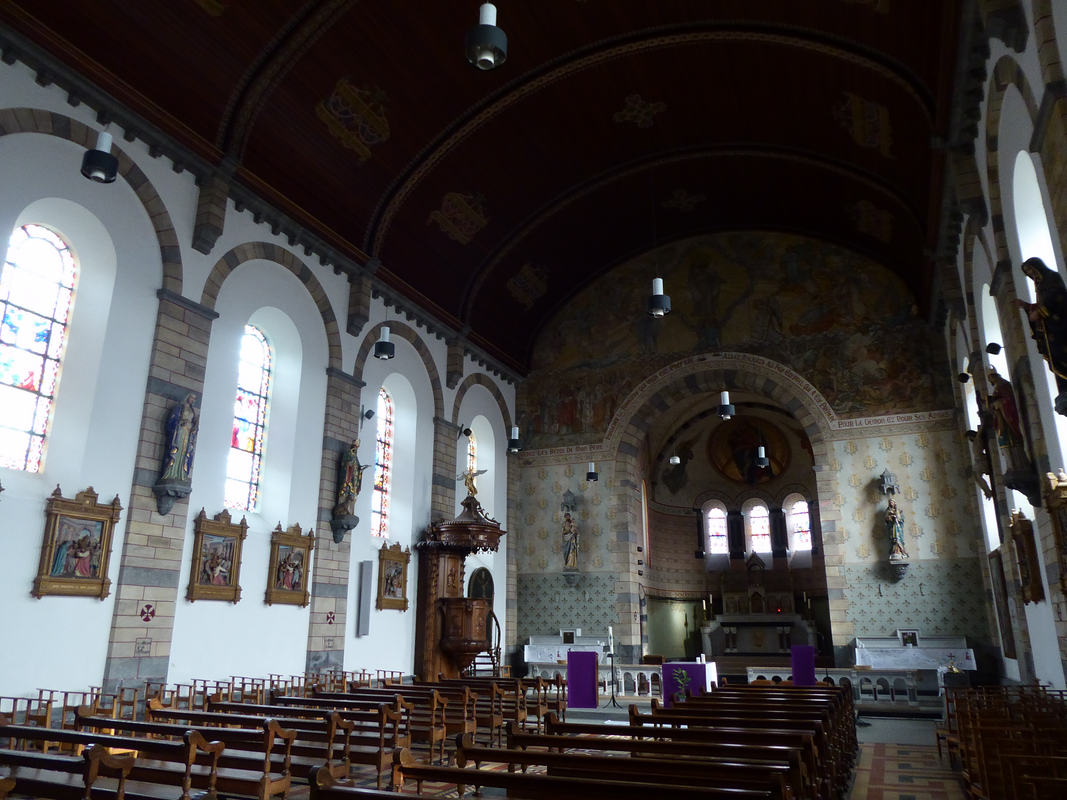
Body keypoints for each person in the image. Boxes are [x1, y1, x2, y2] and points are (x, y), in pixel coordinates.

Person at [1013, 257, 1067, 396]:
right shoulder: (1040, 286)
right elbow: (1042, 305)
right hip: (1050, 327)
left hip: (1060, 323)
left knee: (1059, 350)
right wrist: (1028, 306)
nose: (1031, 273)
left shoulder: (1052, 277)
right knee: (1053, 353)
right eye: (1028, 272)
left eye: (1031, 269)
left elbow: (1057, 297)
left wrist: (1040, 312)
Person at [159, 393, 199, 482]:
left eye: (194, 398)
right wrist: (181, 421)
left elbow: (193, 424)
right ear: (187, 397)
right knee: (175, 452)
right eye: (191, 397)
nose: (192, 400)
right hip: (179, 432)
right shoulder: (179, 408)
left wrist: (194, 427)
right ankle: (171, 473)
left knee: (185, 453)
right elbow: (171, 421)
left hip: (188, 434)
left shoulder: (192, 410)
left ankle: (181, 474)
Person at [334, 440, 368, 518]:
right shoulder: (347, 454)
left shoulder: (356, 458)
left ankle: (350, 511)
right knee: (345, 492)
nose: (355, 450)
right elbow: (344, 465)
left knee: (352, 495)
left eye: (357, 448)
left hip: (353, 481)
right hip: (347, 479)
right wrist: (350, 462)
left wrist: (361, 469)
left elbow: (358, 468)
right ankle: (341, 512)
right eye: (355, 447)